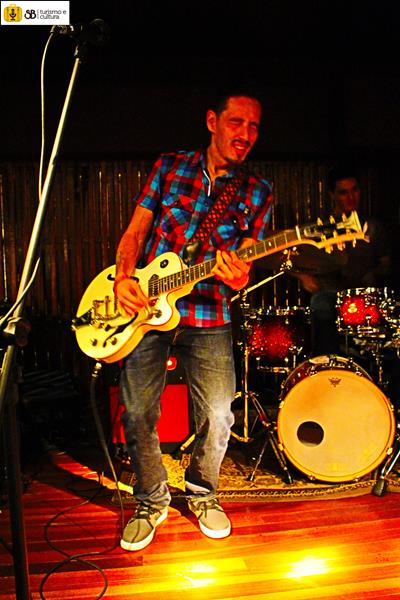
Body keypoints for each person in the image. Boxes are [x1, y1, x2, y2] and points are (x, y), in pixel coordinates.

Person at [113, 87, 273, 551]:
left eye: (254, 126)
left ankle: (203, 491)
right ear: (212, 121)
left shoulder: (257, 191)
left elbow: (244, 264)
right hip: (147, 309)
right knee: (138, 412)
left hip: (210, 311)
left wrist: (239, 275)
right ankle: (151, 499)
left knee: (219, 414)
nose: (245, 134)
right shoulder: (170, 167)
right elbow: (136, 232)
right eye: (236, 122)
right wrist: (123, 278)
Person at [294, 162, 392, 357]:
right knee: (321, 303)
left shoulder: (373, 228)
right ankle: (328, 362)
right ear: (332, 195)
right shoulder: (321, 229)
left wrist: (375, 274)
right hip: (330, 295)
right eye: (343, 192)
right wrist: (303, 277)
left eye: (354, 190)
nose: (351, 197)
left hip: (365, 296)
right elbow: (288, 257)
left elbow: (386, 263)